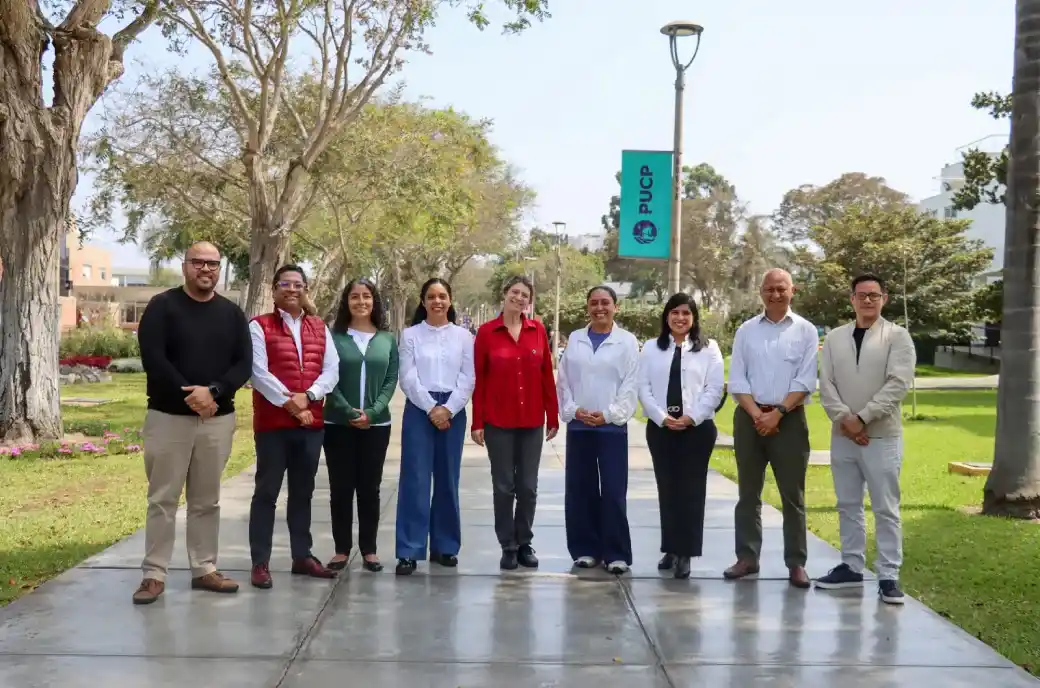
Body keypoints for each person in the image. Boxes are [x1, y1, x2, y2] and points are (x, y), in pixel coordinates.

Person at [133, 241, 253, 605]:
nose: (206, 269)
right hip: (169, 419)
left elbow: (243, 364)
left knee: (206, 500)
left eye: (213, 264)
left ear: (220, 269)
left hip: (217, 421)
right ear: (185, 266)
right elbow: (154, 358)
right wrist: (192, 395)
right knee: (163, 499)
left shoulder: (231, 314)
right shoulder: (162, 307)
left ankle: (204, 568)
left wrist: (213, 392)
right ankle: (154, 574)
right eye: (198, 262)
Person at [814, 273, 915, 605]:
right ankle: (852, 566)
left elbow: (898, 384)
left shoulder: (897, 337)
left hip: (881, 437)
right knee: (848, 504)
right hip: (843, 436)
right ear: (852, 299)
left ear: (884, 298)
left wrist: (863, 419)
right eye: (862, 295)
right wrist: (845, 420)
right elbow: (826, 384)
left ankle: (888, 575)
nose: (868, 300)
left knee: (885, 507)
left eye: (874, 294)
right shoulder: (834, 339)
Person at [725, 268, 819, 588]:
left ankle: (796, 562)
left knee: (793, 495)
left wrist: (777, 414)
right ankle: (747, 557)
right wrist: (756, 414)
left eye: (782, 288)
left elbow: (806, 380)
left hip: (789, 420)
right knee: (748, 493)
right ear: (761, 291)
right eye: (769, 288)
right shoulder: (746, 331)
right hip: (749, 418)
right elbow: (737, 379)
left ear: (793, 290)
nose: (775, 294)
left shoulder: (806, 331)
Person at [247, 264, 340, 589]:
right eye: (284, 283)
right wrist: (291, 405)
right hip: (273, 425)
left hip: (310, 425)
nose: (291, 289)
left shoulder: (319, 326)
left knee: (303, 492)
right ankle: (260, 562)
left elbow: (332, 370)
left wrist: (309, 397)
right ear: (274, 290)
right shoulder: (259, 327)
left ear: (305, 289)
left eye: (297, 284)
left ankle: (303, 556)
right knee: (267, 493)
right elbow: (257, 372)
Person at [471, 275, 560, 570]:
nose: (519, 298)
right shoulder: (486, 333)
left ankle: (524, 542)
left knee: (528, 486)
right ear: (504, 295)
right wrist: (478, 421)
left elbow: (547, 374)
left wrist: (553, 415)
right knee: (504, 486)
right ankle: (507, 545)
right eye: (514, 292)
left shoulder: (537, 331)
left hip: (532, 420)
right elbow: (480, 380)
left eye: (525, 294)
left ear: (529, 301)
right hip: (499, 422)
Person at [637, 292, 725, 579]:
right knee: (668, 489)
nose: (680, 318)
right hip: (661, 429)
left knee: (691, 490)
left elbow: (714, 389)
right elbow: (643, 388)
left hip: (697, 430)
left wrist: (692, 417)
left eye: (686, 313)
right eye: (675, 312)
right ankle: (671, 548)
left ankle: (686, 552)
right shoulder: (651, 348)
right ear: (666, 316)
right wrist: (662, 418)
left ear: (694, 317)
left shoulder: (709, 349)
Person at [557, 286, 640, 574]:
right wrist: (573, 411)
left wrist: (608, 415)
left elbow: (631, 385)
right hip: (579, 428)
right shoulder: (576, 340)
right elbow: (564, 381)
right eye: (594, 303)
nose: (599, 308)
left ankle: (616, 552)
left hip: (611, 429)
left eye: (605, 303)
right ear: (587, 308)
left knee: (614, 491)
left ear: (616, 307)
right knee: (581, 490)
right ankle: (585, 549)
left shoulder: (627, 342)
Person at [395, 278, 475, 575]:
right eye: (431, 296)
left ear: (450, 300)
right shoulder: (411, 334)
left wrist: (449, 408)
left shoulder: (464, 337)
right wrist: (432, 408)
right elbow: (408, 377)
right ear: (423, 301)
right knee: (415, 478)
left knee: (447, 478)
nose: (437, 301)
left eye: (442, 296)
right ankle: (409, 549)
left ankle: (445, 546)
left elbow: (468, 377)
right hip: (419, 409)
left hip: (453, 410)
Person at [322, 278, 399, 573]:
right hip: (338, 423)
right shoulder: (334, 337)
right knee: (340, 488)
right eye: (355, 297)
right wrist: (347, 410)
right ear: (347, 302)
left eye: (367, 296)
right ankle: (342, 549)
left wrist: (373, 411)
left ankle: (369, 549)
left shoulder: (387, 339)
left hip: (377, 426)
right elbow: (328, 377)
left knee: (370, 488)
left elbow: (392, 379)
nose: (361, 302)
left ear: (374, 301)